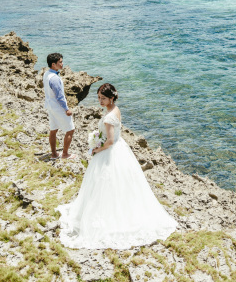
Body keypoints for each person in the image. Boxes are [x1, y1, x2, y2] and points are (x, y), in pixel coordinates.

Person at [57, 83, 178, 249]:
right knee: (122, 184)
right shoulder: (116, 109)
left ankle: (106, 217)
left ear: (111, 97)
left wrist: (97, 148)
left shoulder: (108, 118)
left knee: (104, 184)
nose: (100, 100)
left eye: (103, 98)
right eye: (99, 97)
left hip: (110, 151)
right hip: (121, 149)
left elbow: (110, 140)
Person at [44, 53, 74, 159]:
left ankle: (54, 154)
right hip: (58, 107)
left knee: (53, 129)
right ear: (53, 64)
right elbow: (60, 96)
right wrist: (66, 109)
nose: (62, 64)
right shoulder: (55, 78)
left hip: (50, 106)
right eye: (60, 62)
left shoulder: (46, 74)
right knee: (70, 129)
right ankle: (65, 154)